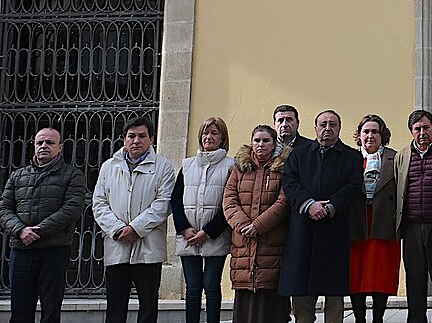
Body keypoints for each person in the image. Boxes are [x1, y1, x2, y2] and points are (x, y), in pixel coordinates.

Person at [279, 110, 362, 323]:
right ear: (315, 128)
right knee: (302, 296)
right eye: (323, 124)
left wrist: (331, 205)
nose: (327, 128)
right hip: (303, 231)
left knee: (334, 296)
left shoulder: (352, 156)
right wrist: (309, 205)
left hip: (334, 231)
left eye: (332, 124)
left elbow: (353, 186)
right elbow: (290, 183)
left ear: (339, 128)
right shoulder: (299, 154)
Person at [92, 116, 177, 323]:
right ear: (124, 139)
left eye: (142, 136)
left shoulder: (163, 166)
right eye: (131, 136)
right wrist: (118, 229)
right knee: (115, 306)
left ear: (151, 140)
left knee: (148, 306)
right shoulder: (108, 166)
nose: (136, 140)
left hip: (148, 248)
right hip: (116, 245)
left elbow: (163, 203)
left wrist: (135, 228)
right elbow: (99, 203)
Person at [0, 126, 86, 323]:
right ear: (34, 146)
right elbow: (4, 208)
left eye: (50, 142)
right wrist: (20, 230)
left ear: (60, 147)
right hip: (21, 251)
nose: (44, 146)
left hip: (53, 252)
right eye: (40, 143)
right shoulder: (18, 176)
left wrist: (39, 231)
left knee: (50, 310)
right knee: (20, 310)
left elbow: (71, 209)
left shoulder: (73, 175)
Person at [223, 125, 291, 323]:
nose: (261, 145)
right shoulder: (239, 168)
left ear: (274, 144)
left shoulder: (284, 168)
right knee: (245, 303)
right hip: (243, 244)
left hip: (272, 244)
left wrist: (259, 226)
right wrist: (244, 225)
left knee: (271, 303)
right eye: (257, 141)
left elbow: (284, 201)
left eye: (266, 141)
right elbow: (229, 200)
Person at [170, 117, 235, 323]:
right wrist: (184, 229)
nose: (209, 137)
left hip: (214, 236)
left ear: (222, 137)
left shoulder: (230, 166)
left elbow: (230, 203)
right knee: (193, 287)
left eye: (214, 133)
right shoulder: (187, 165)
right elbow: (176, 198)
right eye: (205, 133)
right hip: (188, 236)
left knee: (211, 285)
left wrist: (207, 232)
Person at [395, 110, 432, 323]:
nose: (422, 132)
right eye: (417, 128)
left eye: (426, 127)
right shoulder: (401, 156)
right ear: (411, 131)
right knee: (414, 279)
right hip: (411, 228)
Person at [348, 115, 401, 323]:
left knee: (381, 272)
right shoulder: (350, 158)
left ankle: (378, 318)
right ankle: (360, 318)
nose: (370, 136)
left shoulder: (394, 158)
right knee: (356, 272)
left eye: (375, 132)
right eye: (366, 131)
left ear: (382, 135)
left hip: (383, 220)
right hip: (357, 221)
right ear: (359, 135)